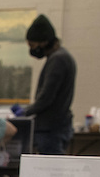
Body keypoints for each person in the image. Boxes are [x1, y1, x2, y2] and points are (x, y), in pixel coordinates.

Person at [21, 14, 76, 155]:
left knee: (50, 171)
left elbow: (46, 97)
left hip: (51, 130)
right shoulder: (62, 57)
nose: (32, 49)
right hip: (56, 126)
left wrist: (25, 112)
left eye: (32, 45)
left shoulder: (58, 60)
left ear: (44, 42)